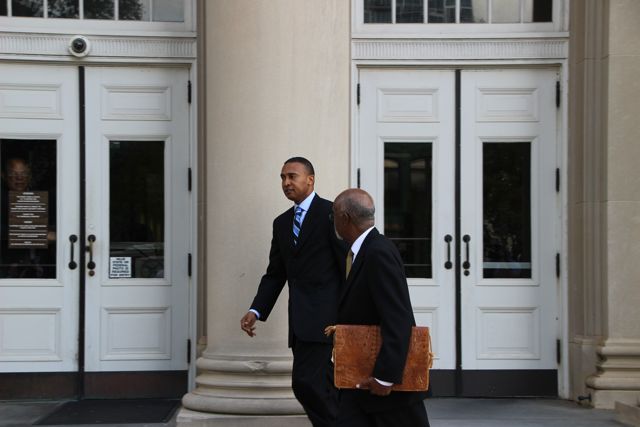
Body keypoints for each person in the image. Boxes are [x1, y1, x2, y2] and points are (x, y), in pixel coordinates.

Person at [240, 157, 346, 427]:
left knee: (306, 383)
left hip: (328, 321)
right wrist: (256, 310)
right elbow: (276, 273)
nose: (286, 183)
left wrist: (351, 314)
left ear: (310, 179)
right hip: (299, 323)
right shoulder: (282, 223)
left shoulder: (333, 213)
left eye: (292, 176)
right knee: (319, 386)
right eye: (282, 178)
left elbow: (348, 266)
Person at [331, 188, 430, 427]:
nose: (332, 220)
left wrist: (385, 377)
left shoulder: (377, 252)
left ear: (345, 218)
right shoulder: (366, 250)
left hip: (384, 390)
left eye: (333, 214)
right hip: (361, 382)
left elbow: (398, 317)